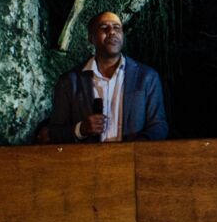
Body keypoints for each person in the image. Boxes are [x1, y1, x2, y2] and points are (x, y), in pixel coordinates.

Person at [47, 12, 169, 144]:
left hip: (133, 161)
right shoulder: (70, 81)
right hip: (87, 162)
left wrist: (135, 148)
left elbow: (159, 126)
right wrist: (81, 129)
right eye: (104, 27)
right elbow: (55, 132)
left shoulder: (147, 77)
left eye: (117, 28)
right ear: (91, 37)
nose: (112, 32)